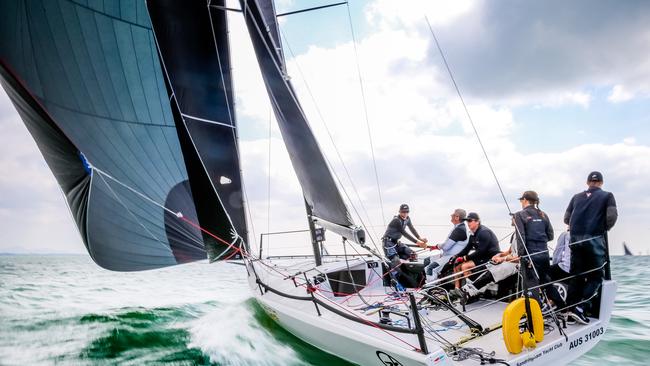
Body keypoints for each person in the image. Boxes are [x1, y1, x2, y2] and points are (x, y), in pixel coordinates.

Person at [563, 171, 617, 324]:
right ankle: (581, 309)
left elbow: (566, 218)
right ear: (601, 183)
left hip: (574, 242)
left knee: (576, 276)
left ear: (587, 182)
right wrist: (601, 229)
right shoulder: (607, 196)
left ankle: (570, 311)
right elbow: (611, 217)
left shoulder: (576, 197)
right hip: (594, 240)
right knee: (595, 277)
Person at [513, 190, 564, 313]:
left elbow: (521, 238)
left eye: (521, 200)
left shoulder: (519, 215)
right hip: (544, 254)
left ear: (525, 200)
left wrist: (521, 256)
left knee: (531, 285)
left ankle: (536, 315)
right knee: (546, 282)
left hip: (530, 255)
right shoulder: (543, 214)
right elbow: (550, 236)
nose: (521, 202)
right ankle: (563, 306)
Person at [449, 236, 519, 301]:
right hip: (508, 259)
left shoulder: (525, 234)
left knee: (493, 272)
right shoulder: (515, 233)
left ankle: (468, 292)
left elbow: (521, 258)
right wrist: (499, 255)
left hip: (516, 263)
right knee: (485, 267)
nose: (511, 221)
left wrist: (503, 259)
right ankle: (467, 290)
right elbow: (510, 251)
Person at [452, 212, 501, 289]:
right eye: (467, 221)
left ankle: (472, 289)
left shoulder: (484, 232)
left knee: (465, 266)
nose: (468, 223)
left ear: (477, 222)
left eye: (470, 220)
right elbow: (466, 249)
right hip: (481, 256)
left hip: (490, 257)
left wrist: (465, 258)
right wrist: (456, 256)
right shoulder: (473, 234)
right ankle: (457, 288)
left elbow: (481, 251)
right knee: (457, 264)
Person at [423, 209, 469, 281]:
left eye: (453, 214)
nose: (451, 215)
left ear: (457, 217)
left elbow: (446, 247)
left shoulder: (459, 230)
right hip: (447, 255)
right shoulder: (458, 227)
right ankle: (429, 281)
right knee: (427, 260)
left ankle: (431, 288)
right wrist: (437, 247)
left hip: (452, 257)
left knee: (430, 268)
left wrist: (437, 246)